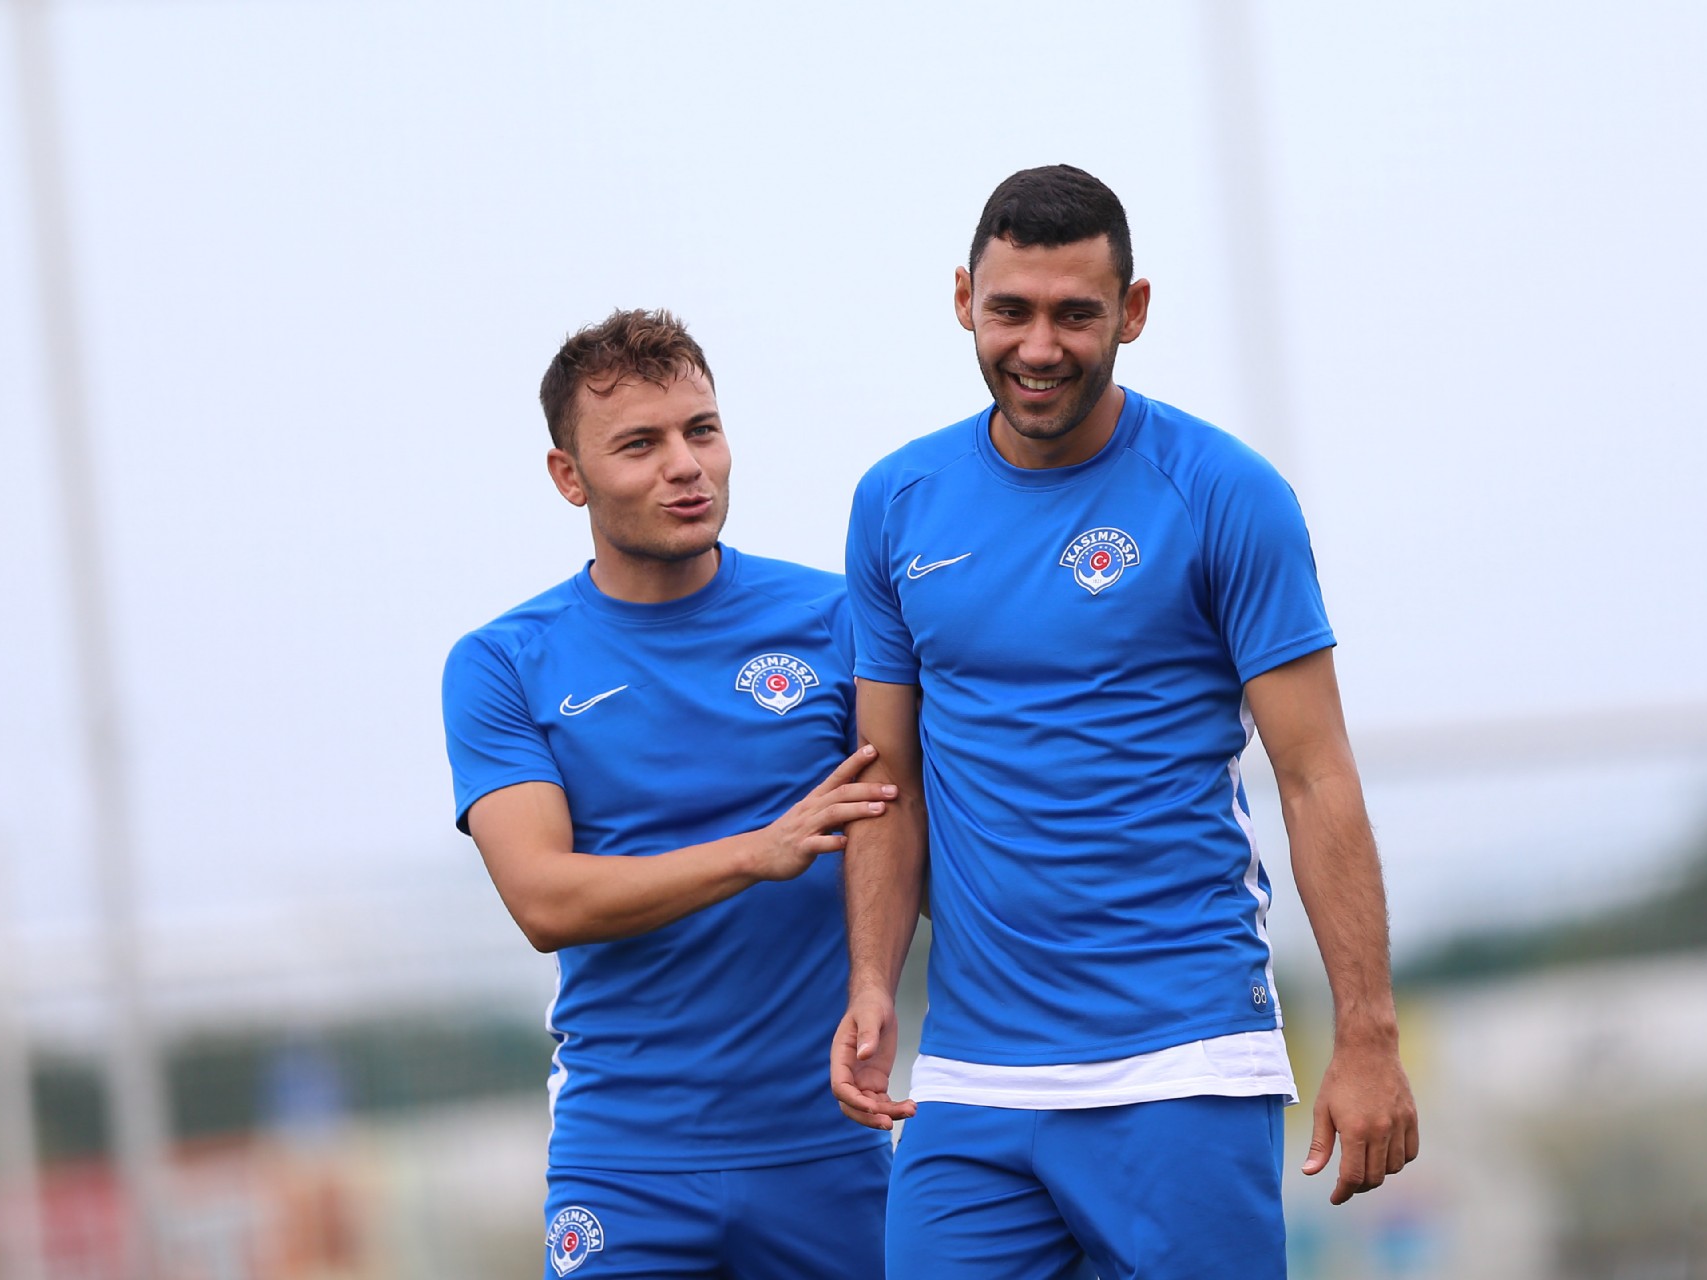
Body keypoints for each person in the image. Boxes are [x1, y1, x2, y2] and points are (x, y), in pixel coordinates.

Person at [829, 166, 1419, 1279]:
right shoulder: (895, 502)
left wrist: (1368, 1030)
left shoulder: (1225, 491)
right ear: (963, 300)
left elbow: (1315, 775)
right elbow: (886, 779)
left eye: (1074, 314)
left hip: (1181, 1057)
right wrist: (870, 981)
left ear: (1133, 311)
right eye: (1010, 310)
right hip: (972, 1077)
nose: (1038, 346)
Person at [442, 308, 892, 1280]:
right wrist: (757, 851)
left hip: (828, 1141)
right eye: (640, 444)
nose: (686, 466)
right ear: (569, 475)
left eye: (702, 430)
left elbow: (915, 834)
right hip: (625, 1160)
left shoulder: (839, 620)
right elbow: (545, 899)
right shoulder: (503, 663)